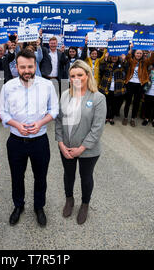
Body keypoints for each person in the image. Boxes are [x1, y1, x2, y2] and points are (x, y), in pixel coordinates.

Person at [0, 49, 59, 227]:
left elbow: (54, 110)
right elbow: (1, 111)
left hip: (40, 141)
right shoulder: (8, 86)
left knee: (40, 177)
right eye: (22, 67)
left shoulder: (47, 85)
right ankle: (18, 206)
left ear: (35, 66)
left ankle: (39, 207)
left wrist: (41, 123)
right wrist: (16, 125)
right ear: (16, 67)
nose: (27, 70)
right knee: (17, 177)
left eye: (30, 67)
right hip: (16, 141)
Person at [55, 60, 106, 224]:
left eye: (79, 75)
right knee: (68, 175)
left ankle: (85, 204)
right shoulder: (65, 95)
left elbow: (97, 128)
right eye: (72, 76)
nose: (75, 78)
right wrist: (61, 143)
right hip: (66, 147)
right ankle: (69, 200)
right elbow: (58, 121)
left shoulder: (98, 98)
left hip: (88, 150)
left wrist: (82, 148)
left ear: (87, 75)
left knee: (86, 177)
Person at [123, 45, 154, 126]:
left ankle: (133, 119)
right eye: (137, 53)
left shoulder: (144, 62)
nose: (139, 54)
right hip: (130, 83)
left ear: (142, 54)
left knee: (136, 102)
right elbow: (127, 57)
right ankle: (125, 117)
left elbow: (152, 59)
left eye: (140, 53)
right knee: (128, 101)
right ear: (135, 54)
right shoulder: (131, 60)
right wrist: (130, 48)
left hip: (139, 84)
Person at [98, 51, 128, 125]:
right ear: (110, 57)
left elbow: (126, 68)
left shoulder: (121, 64)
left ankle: (111, 118)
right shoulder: (106, 63)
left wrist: (124, 60)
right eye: (113, 56)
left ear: (118, 57)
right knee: (106, 104)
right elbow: (101, 69)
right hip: (106, 88)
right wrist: (105, 58)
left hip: (117, 89)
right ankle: (106, 117)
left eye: (116, 56)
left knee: (114, 104)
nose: (114, 57)